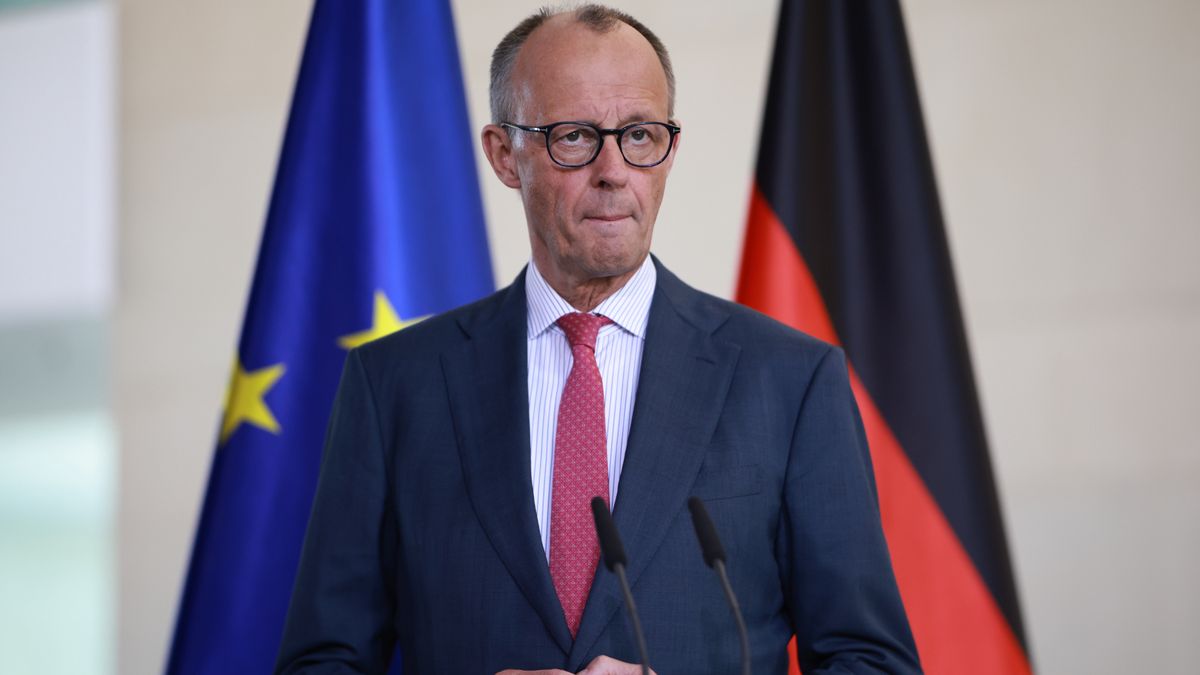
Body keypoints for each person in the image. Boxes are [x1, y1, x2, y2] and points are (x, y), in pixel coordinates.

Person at [275, 5, 921, 674]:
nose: (614, 169)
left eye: (640, 135)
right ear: (504, 154)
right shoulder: (394, 385)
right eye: (576, 136)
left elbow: (872, 661)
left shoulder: (789, 380)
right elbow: (320, 661)